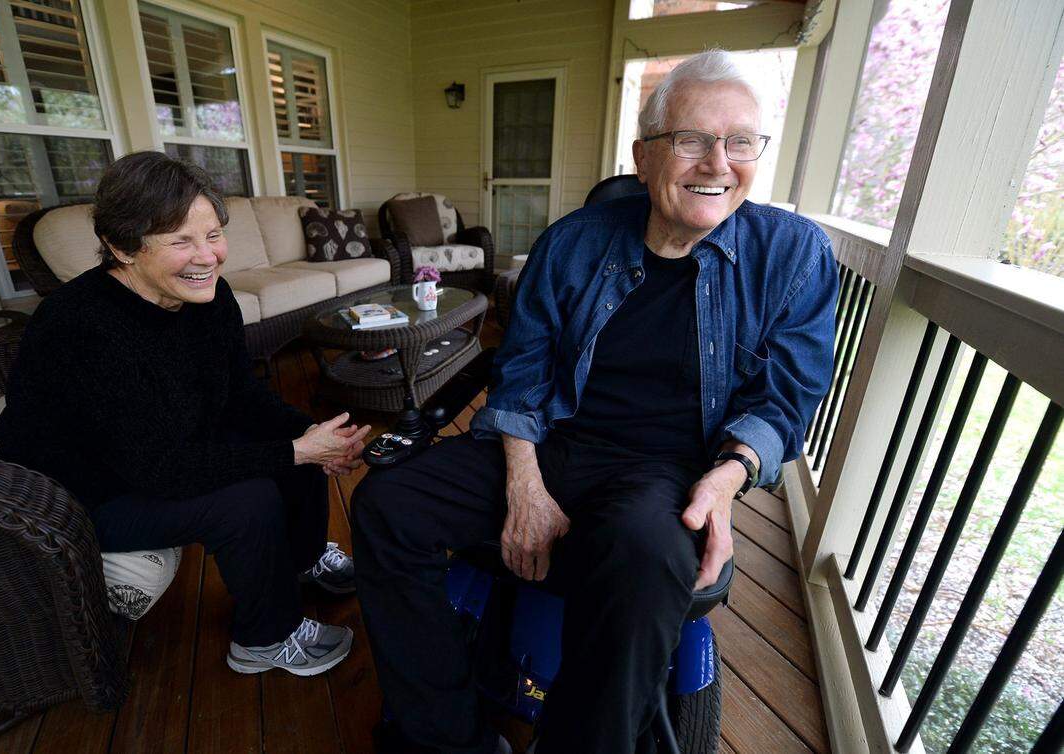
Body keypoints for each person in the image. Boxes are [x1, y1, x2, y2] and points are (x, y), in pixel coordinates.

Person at [352, 50, 839, 754]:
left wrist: (727, 481)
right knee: (386, 507)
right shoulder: (572, 244)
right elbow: (521, 369)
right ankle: (446, 736)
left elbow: (788, 394)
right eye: (692, 139)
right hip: (550, 442)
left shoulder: (792, 254)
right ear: (645, 156)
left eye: (740, 142)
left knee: (642, 558)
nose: (717, 162)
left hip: (668, 471)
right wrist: (525, 482)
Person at [0, 151, 370, 678]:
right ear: (122, 247)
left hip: (161, 446)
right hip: (82, 492)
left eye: (214, 234)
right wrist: (293, 450)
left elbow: (241, 394)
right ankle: (264, 640)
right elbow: (155, 469)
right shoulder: (81, 328)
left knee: (295, 450)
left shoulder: (208, 299)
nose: (209, 256)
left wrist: (308, 436)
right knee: (249, 496)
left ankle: (304, 560)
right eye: (181, 241)